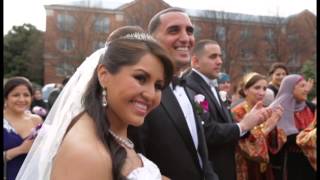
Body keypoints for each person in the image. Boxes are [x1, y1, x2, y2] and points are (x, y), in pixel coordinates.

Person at [16, 32, 174, 180]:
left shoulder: (109, 129)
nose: (151, 94)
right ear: (104, 75)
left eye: (158, 86)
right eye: (140, 78)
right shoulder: (86, 154)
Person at [129, 8, 219, 180]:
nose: (185, 38)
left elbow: (202, 151)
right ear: (152, 40)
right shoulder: (139, 95)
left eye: (189, 31)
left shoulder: (193, 92)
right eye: (174, 30)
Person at [183, 39, 275, 180]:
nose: (219, 61)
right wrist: (243, 125)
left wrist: (251, 121)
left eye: (220, 56)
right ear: (195, 61)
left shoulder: (211, 86)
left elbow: (227, 124)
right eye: (213, 57)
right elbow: (207, 131)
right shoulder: (194, 89)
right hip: (211, 171)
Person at [231, 72, 286, 180]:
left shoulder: (266, 110)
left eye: (264, 88)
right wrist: (268, 128)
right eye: (257, 88)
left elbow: (276, 142)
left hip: (265, 167)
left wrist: (274, 128)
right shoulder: (237, 112)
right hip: (246, 165)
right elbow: (245, 145)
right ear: (245, 90)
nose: (262, 92)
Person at [268, 74, 316, 180]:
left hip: (310, 162)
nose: (306, 90)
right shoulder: (277, 109)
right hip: (288, 162)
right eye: (302, 86)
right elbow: (281, 138)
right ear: (290, 88)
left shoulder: (311, 108)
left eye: (306, 86)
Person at [3, 76, 43, 180]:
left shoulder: (36, 120)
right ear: (6, 98)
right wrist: (20, 150)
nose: (22, 99)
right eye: (16, 95)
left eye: (26, 95)